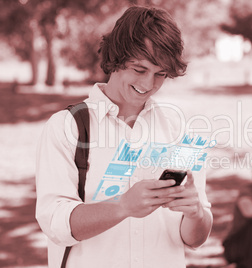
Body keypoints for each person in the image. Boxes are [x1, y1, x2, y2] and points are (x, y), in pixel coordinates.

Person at [35, 5, 212, 268]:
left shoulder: (179, 128)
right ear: (116, 58)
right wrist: (122, 207)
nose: (149, 84)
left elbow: (194, 239)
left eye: (160, 74)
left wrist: (195, 213)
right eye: (139, 70)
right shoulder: (67, 127)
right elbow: (55, 224)